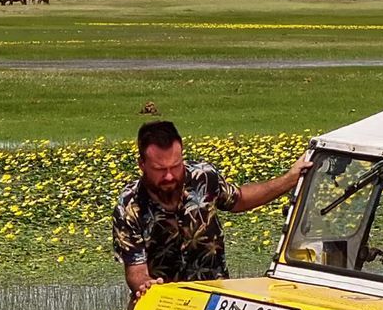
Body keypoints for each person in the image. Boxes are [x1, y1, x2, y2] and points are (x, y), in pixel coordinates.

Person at [112, 120, 311, 300]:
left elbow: (240, 199)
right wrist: (146, 284)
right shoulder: (129, 205)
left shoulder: (204, 177)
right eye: (160, 170)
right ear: (142, 165)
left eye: (175, 166)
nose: (170, 176)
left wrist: (288, 180)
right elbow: (135, 270)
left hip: (214, 298)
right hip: (162, 302)